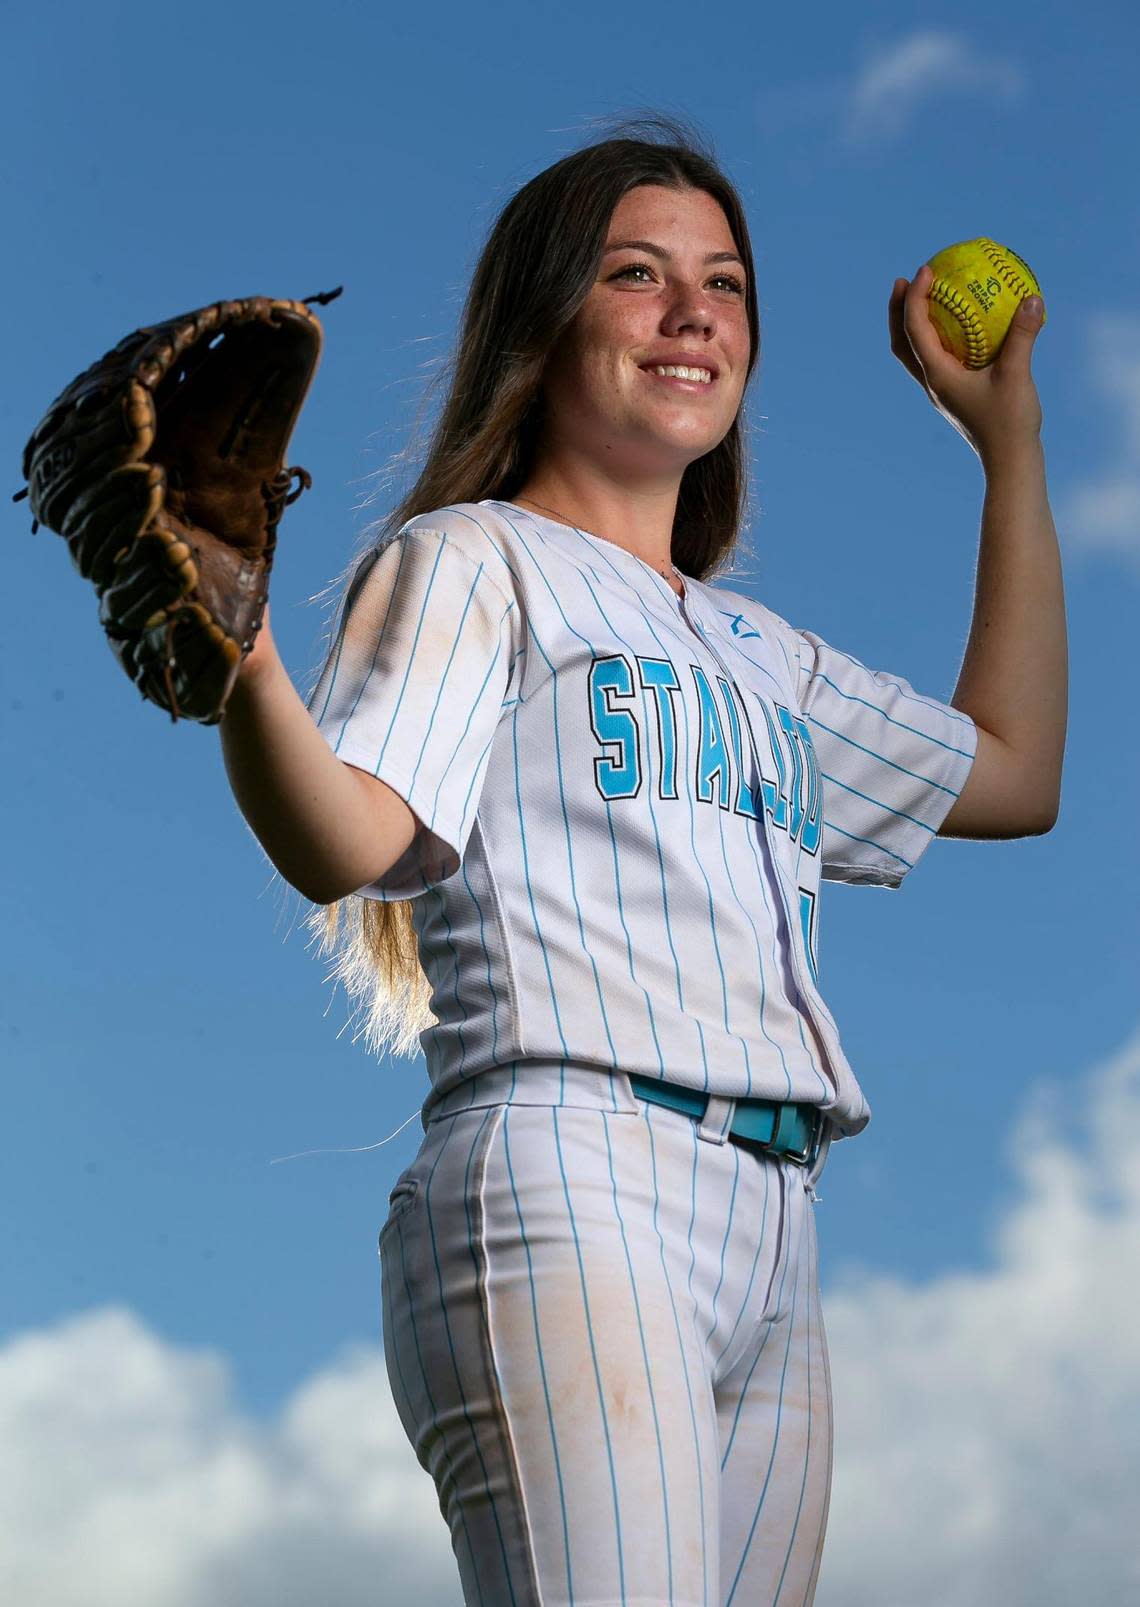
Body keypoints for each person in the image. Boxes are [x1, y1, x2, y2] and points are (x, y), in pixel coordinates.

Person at [218, 116, 1065, 1606]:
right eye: (636, 273)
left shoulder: (760, 655)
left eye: (725, 282)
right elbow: (347, 835)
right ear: (543, 327)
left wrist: (1011, 443)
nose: (693, 313)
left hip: (780, 1233)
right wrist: (232, 651)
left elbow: (1014, 771)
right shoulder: (472, 559)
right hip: (572, 1174)